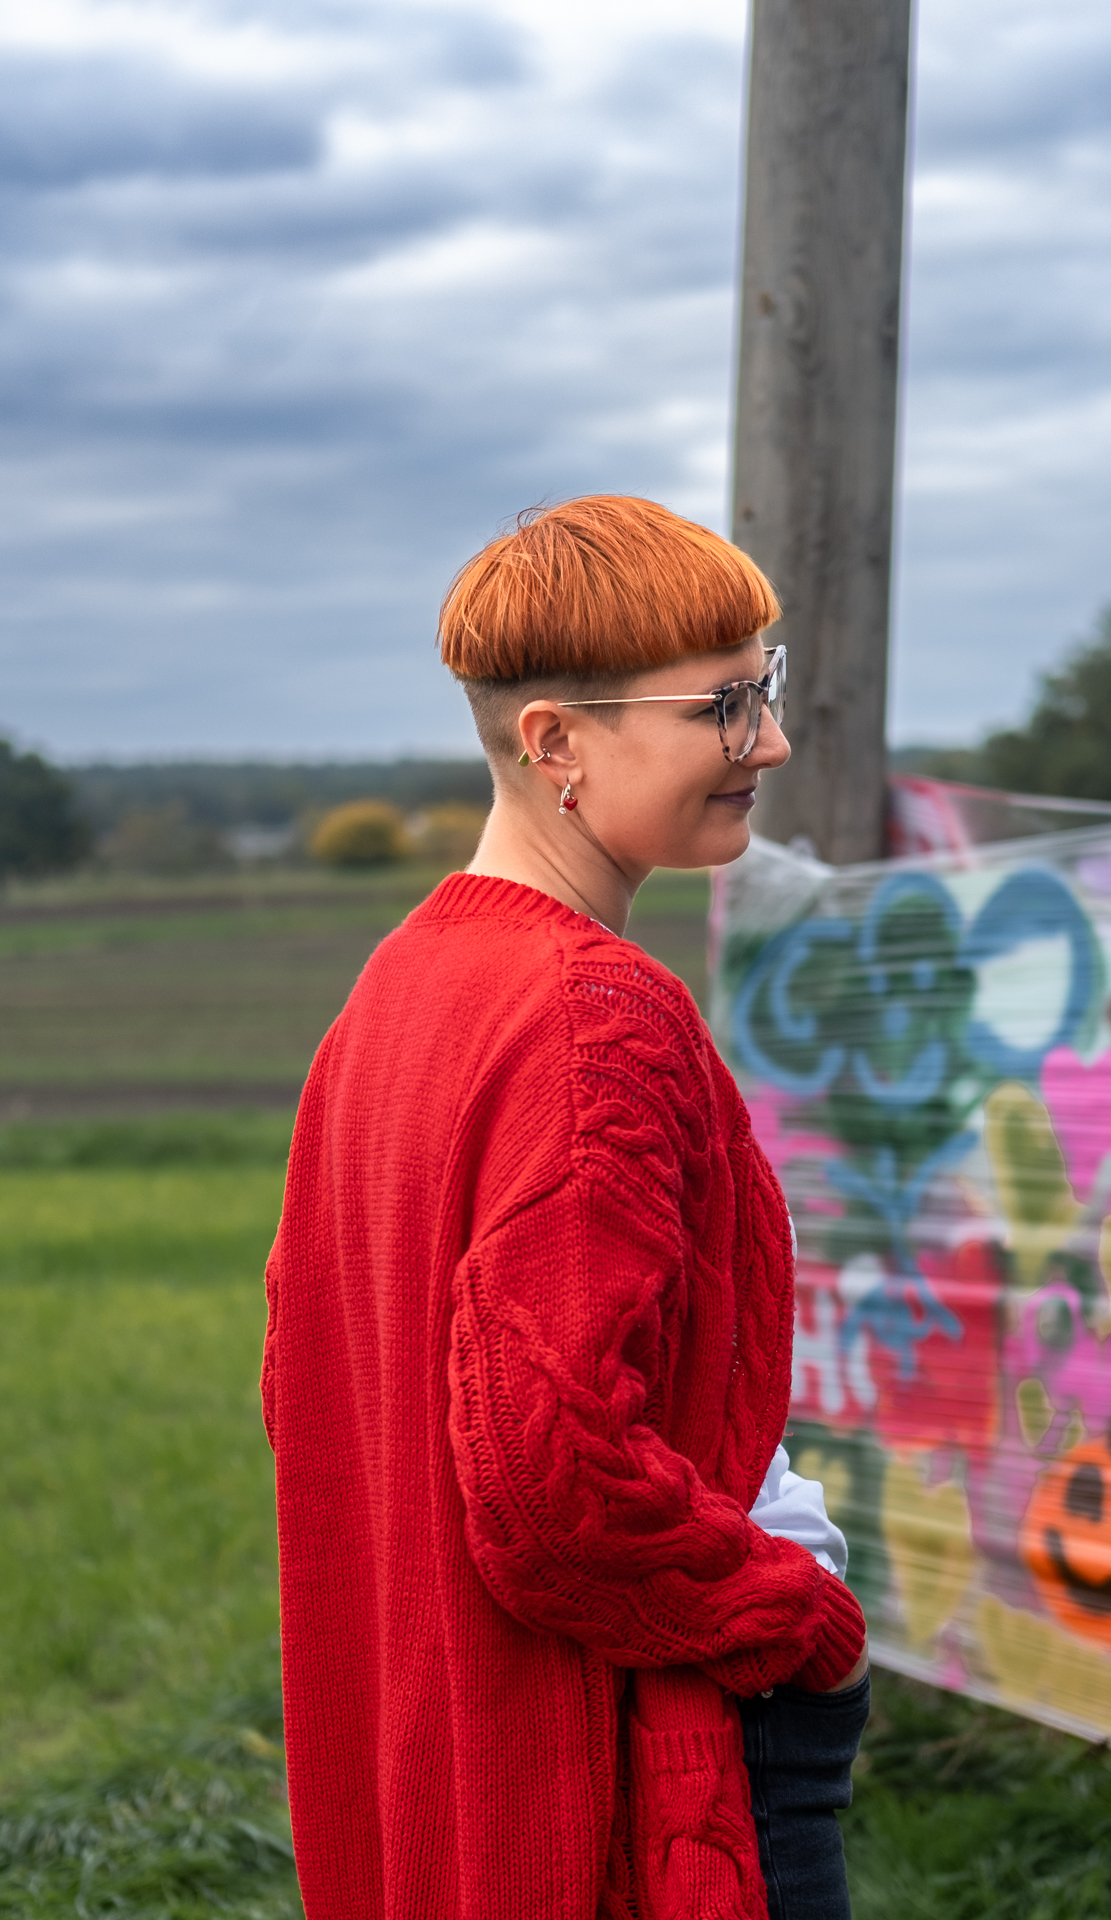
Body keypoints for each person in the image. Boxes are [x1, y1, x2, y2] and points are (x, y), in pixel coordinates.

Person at [262, 495, 870, 1920]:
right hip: (635, 1753)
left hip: (454, 1745)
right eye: (723, 707)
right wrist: (800, 1618)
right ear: (555, 743)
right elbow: (551, 1483)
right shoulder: (594, 1018)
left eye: (766, 689)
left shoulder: (401, 987)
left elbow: (309, 1383)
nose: (770, 743)